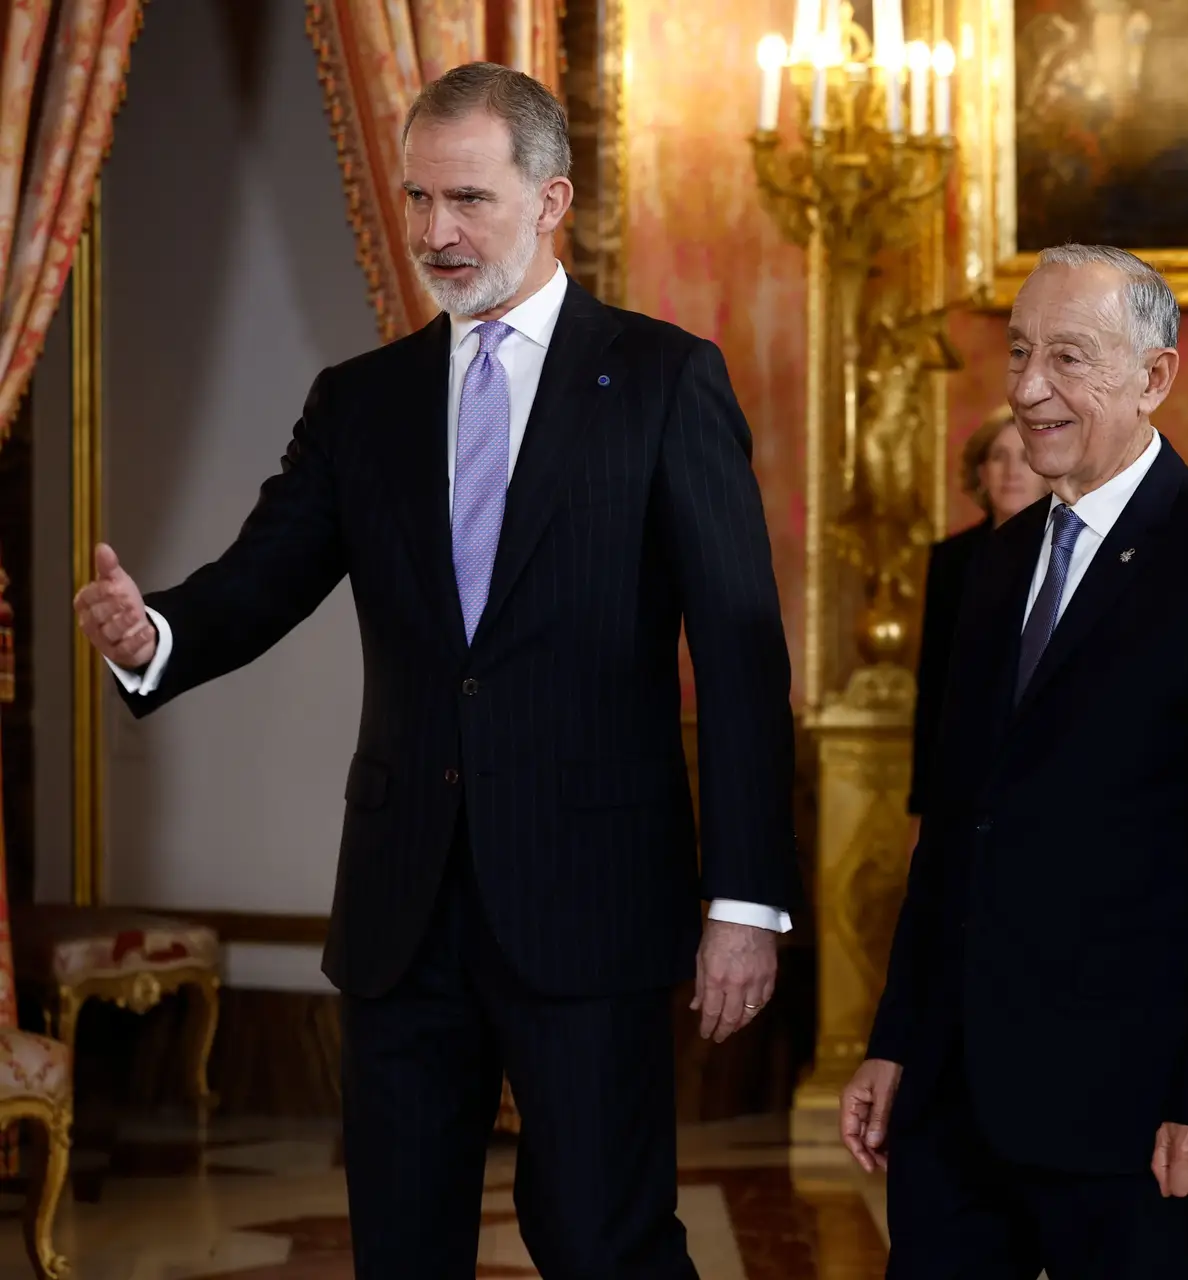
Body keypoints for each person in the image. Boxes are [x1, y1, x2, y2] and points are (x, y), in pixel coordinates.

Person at [71, 64, 800, 1279]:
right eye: (417, 198)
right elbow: (262, 578)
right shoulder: (362, 400)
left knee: (607, 1243)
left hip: (594, 904)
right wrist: (156, 634)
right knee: (401, 1250)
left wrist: (745, 900)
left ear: (550, 196)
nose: (434, 232)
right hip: (403, 911)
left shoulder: (667, 381)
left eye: (466, 198)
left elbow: (737, 657)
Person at [841, 243, 1188, 1279]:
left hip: (1130, 1102)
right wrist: (898, 1037)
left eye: (1067, 356)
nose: (1025, 389)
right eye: (1018, 353)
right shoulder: (996, 561)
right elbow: (954, 828)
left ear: (1155, 375)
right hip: (956, 1092)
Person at [909, 407, 1049, 825]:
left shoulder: (1067, 552)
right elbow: (932, 684)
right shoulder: (951, 560)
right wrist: (921, 805)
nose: (1011, 471)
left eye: (1025, 457)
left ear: (1045, 470)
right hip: (963, 769)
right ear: (980, 472)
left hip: (1040, 768)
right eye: (998, 457)